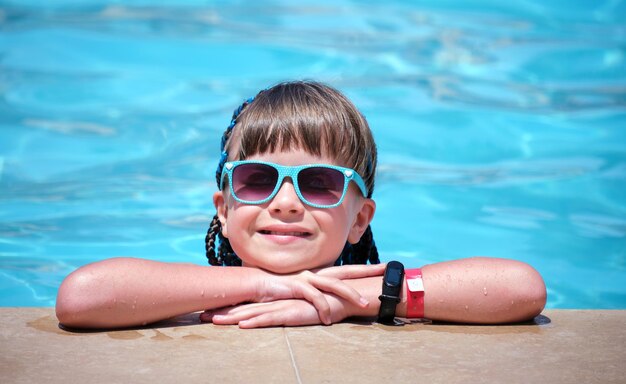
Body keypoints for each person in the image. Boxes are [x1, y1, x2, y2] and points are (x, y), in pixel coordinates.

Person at [56, 80, 546, 329]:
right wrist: (260, 285)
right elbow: (81, 297)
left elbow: (520, 288)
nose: (286, 202)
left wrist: (348, 302)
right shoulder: (195, 292)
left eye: (319, 183)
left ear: (360, 219)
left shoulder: (367, 294)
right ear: (223, 209)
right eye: (256, 180)